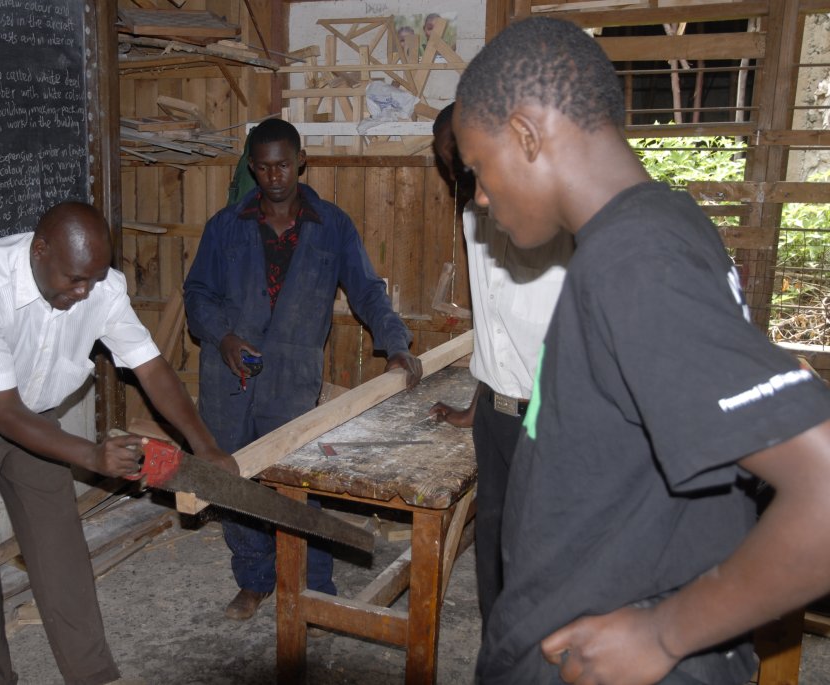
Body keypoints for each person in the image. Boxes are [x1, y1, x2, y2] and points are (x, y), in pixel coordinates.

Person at [453, 16, 830, 685]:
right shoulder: (662, 226)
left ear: (527, 135)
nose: (481, 196)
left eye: (479, 168)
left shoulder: (636, 258)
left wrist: (665, 632)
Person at [0, 201, 237, 685]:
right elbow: (4, 413)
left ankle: (90, 673)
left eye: (93, 279)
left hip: (32, 412)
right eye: (73, 279)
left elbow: (151, 368)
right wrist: (90, 456)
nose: (83, 293)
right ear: (39, 251)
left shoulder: (101, 287)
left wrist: (204, 446)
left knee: (59, 541)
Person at [184, 118, 423, 621]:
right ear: (253, 166)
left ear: (300, 163)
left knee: (297, 488)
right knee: (233, 485)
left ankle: (316, 586)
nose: (275, 176)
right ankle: (254, 580)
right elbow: (197, 295)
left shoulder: (331, 225)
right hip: (227, 379)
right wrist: (224, 338)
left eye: (284, 165)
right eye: (265, 166)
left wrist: (396, 342)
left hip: (292, 383)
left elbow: (365, 291)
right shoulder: (225, 226)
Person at [427, 103, 572, 632]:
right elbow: (493, 324)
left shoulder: (565, 216)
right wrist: (480, 401)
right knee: (494, 550)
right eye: (449, 166)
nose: (461, 178)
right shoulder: (472, 216)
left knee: (549, 559)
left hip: (556, 422)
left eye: (465, 161)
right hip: (496, 419)